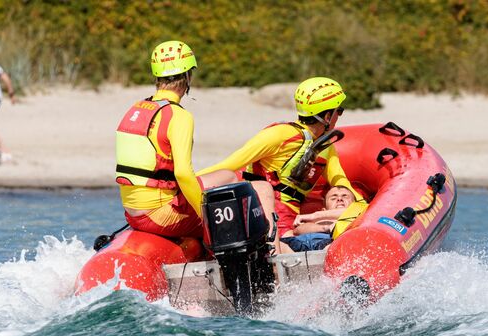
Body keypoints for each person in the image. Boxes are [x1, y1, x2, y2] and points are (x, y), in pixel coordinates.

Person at [197, 77, 366, 252]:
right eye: (340, 111)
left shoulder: (326, 149)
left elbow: (343, 185)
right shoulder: (280, 134)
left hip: (290, 222)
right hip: (263, 215)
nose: (339, 116)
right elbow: (230, 163)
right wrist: (188, 183)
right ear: (328, 116)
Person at [115, 40, 221, 238]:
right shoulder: (179, 116)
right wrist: (206, 216)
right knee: (229, 178)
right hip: (158, 216)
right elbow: (182, 173)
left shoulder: (137, 108)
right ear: (188, 76)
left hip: (132, 214)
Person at [280, 186, 355, 252]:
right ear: (324, 210)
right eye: (333, 198)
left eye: (345, 196)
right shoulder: (317, 219)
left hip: (330, 243)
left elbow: (352, 211)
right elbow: (297, 230)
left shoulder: (359, 214)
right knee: (279, 244)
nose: (339, 199)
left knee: (333, 247)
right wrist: (326, 228)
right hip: (303, 241)